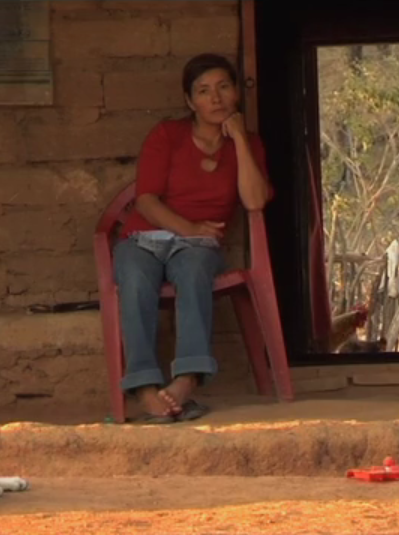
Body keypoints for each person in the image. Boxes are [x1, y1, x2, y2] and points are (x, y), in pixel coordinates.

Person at [112, 53, 273, 423]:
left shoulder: (249, 144)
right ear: (190, 101)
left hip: (197, 248)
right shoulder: (167, 135)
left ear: (237, 93)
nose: (215, 98)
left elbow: (254, 201)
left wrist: (240, 140)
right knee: (134, 280)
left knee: (195, 272)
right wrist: (190, 228)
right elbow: (146, 200)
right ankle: (144, 387)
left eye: (224, 87)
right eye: (203, 91)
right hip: (145, 238)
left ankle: (187, 378)